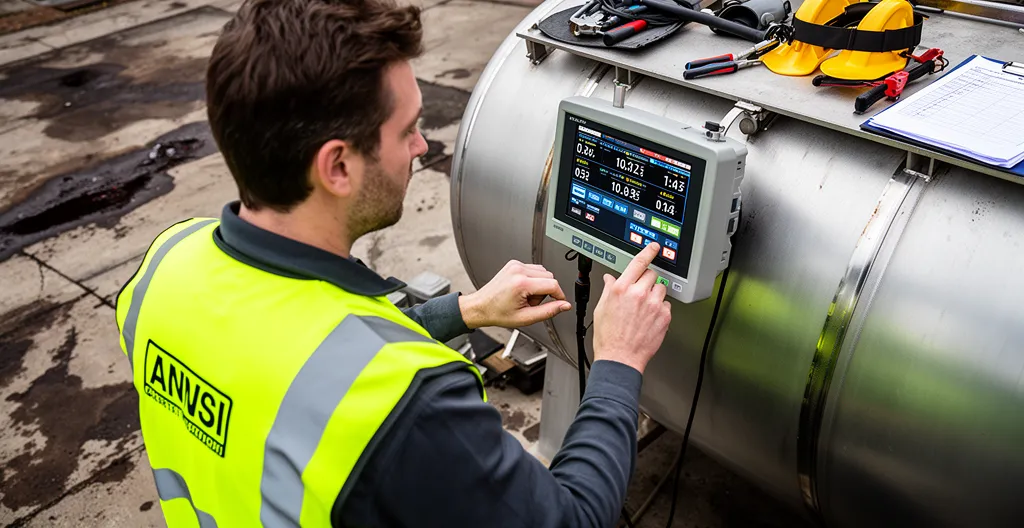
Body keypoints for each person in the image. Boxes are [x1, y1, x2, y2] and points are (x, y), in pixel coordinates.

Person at [114, 0, 672, 526]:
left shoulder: (167, 262)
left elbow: (292, 352)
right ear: (337, 167)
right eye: (406, 130)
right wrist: (618, 361)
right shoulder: (413, 406)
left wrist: (465, 311)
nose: (422, 146)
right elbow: (572, 518)